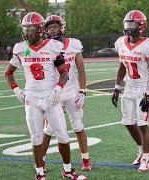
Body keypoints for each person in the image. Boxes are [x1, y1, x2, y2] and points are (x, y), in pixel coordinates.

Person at [4, 12, 86, 180]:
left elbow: (64, 73)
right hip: (32, 98)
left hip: (51, 97)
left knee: (62, 135)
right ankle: (40, 172)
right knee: (36, 137)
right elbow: (8, 73)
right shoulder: (20, 48)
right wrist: (16, 90)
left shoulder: (53, 47)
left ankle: (68, 170)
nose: (28, 33)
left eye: (31, 29)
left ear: (40, 29)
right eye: (26, 29)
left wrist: (58, 87)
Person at [40, 15, 91, 171]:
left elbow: (81, 69)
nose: (53, 30)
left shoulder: (74, 44)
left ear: (62, 27)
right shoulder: (44, 47)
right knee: (48, 129)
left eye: (55, 27)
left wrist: (82, 91)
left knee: (77, 125)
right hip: (54, 92)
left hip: (70, 90)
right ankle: (41, 161)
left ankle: (85, 159)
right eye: (49, 28)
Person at [111, 10, 149, 173]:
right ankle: (143, 150)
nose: (129, 27)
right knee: (128, 122)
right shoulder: (121, 43)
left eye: (133, 24)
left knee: (143, 123)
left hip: (142, 87)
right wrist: (117, 86)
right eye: (127, 24)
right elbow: (122, 66)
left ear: (142, 26)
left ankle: (146, 158)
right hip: (129, 86)